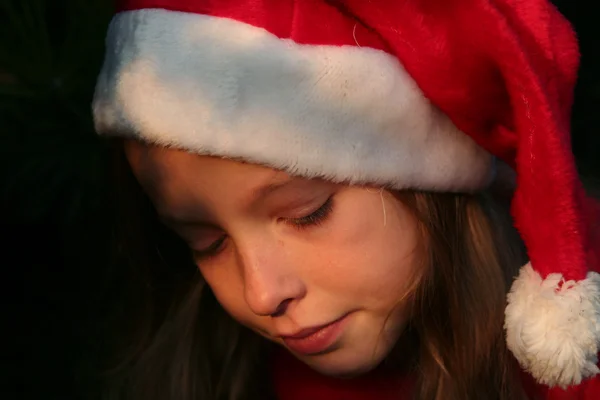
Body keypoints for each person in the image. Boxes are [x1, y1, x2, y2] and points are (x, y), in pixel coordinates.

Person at [92, 0, 600, 399]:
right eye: (207, 243)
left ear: (431, 177)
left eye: (307, 213)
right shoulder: (215, 376)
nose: (261, 294)